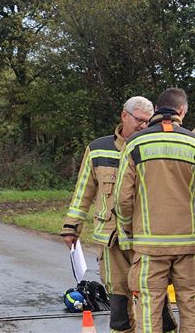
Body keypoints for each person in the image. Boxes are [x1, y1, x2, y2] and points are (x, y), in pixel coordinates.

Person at [61, 96, 176, 333]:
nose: (144, 126)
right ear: (124, 116)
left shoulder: (150, 147)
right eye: (139, 120)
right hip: (111, 239)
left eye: (148, 121)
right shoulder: (97, 149)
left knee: (156, 300)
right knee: (119, 304)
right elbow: (83, 192)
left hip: (145, 239)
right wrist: (72, 226)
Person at [115, 87, 195, 332]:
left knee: (148, 306)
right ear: (181, 111)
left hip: (149, 245)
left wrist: (131, 230)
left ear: (157, 110)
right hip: (189, 244)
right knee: (191, 305)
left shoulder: (135, 143)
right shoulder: (193, 144)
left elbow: (122, 199)